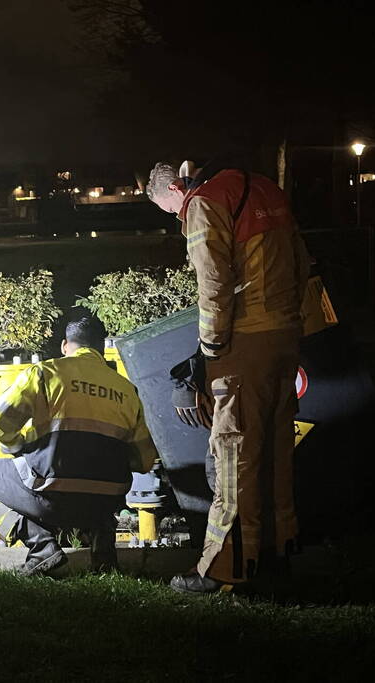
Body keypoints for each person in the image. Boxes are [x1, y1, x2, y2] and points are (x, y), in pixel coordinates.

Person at [146, 160, 312, 594]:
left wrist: (211, 348)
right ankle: (277, 553)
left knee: (233, 455)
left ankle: (225, 567)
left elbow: (213, 280)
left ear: (177, 191)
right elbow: (300, 262)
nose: (178, 220)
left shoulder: (204, 203)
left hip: (244, 344)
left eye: (172, 211)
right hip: (285, 336)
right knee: (276, 450)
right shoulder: (263, 188)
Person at [0, 316, 158, 576]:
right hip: (106, 502)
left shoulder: (45, 372)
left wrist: (18, 446)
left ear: (66, 346)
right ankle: (104, 559)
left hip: (52, 497)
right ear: (100, 349)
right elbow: (144, 460)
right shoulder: (127, 390)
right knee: (100, 477)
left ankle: (42, 548)